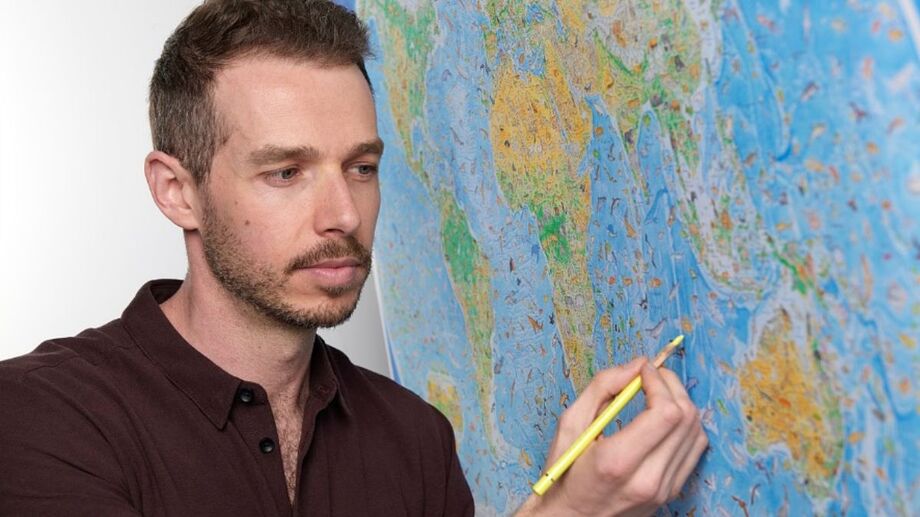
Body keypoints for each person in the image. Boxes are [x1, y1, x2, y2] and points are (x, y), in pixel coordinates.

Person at [0, 1, 707, 515]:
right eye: (286, 172)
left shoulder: (415, 439)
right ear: (176, 191)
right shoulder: (42, 417)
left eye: (361, 167)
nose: (343, 214)